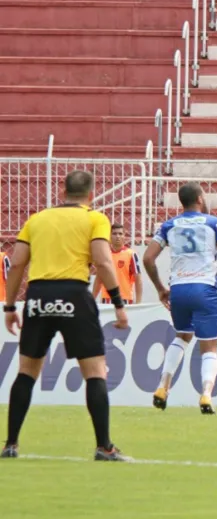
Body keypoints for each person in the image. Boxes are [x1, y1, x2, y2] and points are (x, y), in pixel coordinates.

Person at [1, 170, 131, 461]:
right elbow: (102, 260)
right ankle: (104, 446)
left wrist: (10, 307)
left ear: (62, 191)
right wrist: (119, 302)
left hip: (38, 295)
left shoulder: (37, 219)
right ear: (90, 194)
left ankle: (10, 443)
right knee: (95, 372)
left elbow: (18, 263)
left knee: (26, 371)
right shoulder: (95, 218)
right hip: (74, 293)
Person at [142, 182, 217, 415]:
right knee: (209, 346)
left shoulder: (168, 226)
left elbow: (148, 259)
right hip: (204, 289)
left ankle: (162, 387)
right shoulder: (214, 223)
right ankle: (207, 394)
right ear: (200, 198)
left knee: (182, 336)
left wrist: (160, 288)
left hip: (178, 289)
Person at [91, 223, 143, 306]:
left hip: (125, 300)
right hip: (106, 300)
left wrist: (138, 302)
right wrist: (92, 300)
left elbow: (138, 278)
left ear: (124, 236)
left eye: (120, 234)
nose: (118, 236)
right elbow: (99, 279)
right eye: (114, 234)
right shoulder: (105, 254)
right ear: (110, 236)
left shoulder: (131, 254)